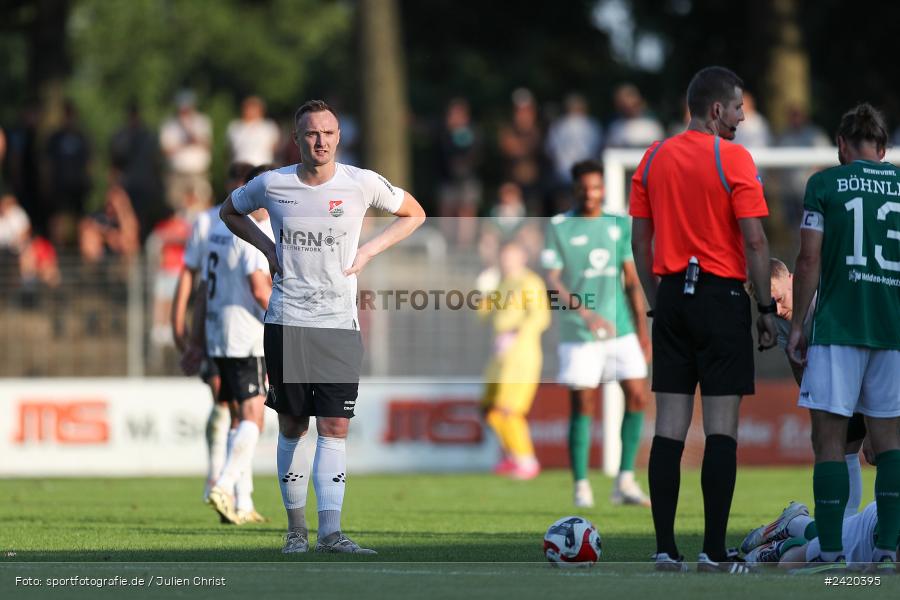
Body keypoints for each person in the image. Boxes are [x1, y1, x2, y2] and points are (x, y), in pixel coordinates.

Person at [219, 99, 425, 554]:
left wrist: (370, 251)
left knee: (334, 425)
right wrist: (268, 248)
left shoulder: (361, 183)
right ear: (296, 140)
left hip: (338, 323)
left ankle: (331, 533)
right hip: (288, 320)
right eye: (312, 133)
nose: (321, 141)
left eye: (329, 133)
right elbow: (228, 212)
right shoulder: (273, 184)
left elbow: (414, 213)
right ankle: (296, 532)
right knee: (293, 425)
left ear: (338, 137)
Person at [629, 66, 778, 573]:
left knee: (669, 427)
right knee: (721, 430)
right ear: (717, 110)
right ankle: (714, 550)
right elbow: (755, 240)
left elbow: (639, 241)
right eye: (737, 109)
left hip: (671, 296)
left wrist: (657, 299)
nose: (740, 118)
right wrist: (763, 308)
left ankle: (665, 548)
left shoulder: (652, 158)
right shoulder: (733, 158)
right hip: (720, 298)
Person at [786, 103, 900, 569]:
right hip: (891, 328)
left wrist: (798, 325)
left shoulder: (824, 184)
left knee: (830, 442)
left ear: (840, 145)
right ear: (884, 146)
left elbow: (809, 259)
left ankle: (830, 555)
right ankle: (888, 552)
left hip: (839, 326)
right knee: (890, 442)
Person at [543, 159, 652, 509]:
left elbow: (631, 280)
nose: (591, 194)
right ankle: (581, 485)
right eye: (584, 188)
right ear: (574, 189)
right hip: (579, 333)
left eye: (596, 187)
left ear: (603, 188)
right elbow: (552, 282)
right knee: (583, 404)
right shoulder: (559, 226)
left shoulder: (618, 224)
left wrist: (642, 330)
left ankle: (625, 480)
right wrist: (586, 314)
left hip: (620, 328)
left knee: (637, 395)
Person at [173, 162, 259, 504]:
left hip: (222, 327)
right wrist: (184, 330)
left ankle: (237, 491)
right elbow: (192, 278)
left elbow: (200, 281)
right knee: (234, 406)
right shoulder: (213, 222)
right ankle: (223, 480)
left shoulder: (222, 223)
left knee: (236, 408)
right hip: (227, 328)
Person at [186, 192, 274, 526]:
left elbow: (202, 288)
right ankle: (222, 485)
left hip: (218, 336)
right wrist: (290, 321)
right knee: (254, 418)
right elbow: (258, 289)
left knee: (238, 420)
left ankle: (243, 501)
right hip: (246, 338)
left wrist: (197, 339)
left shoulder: (217, 231)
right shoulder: (252, 234)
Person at [765, 258, 868, 519]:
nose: (777, 309)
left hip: (868, 368)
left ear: (791, 279)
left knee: (878, 450)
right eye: (771, 304)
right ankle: (847, 526)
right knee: (840, 449)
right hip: (838, 381)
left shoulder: (825, 292)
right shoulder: (776, 317)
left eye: (780, 298)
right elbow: (799, 370)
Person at [481, 240, 550, 480]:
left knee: (509, 410)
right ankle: (513, 457)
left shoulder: (529, 282)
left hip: (521, 356)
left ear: (523, 258)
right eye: (504, 255)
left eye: (512, 256)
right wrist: (483, 292)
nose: (507, 260)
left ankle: (526, 461)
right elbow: (481, 316)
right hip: (500, 358)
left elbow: (540, 317)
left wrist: (516, 334)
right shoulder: (502, 284)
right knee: (491, 412)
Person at [740, 500, 897, 572]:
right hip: (869, 535)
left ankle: (797, 522)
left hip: (880, 525)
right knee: (788, 567)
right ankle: (780, 547)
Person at [160, 90, 213, 218]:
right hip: (177, 173)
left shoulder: (202, 122)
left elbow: (207, 144)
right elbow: (165, 150)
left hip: (198, 172)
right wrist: (183, 143)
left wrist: (190, 131)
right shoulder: (169, 124)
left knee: (202, 205)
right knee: (176, 208)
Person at [227, 96, 280, 167]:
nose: (249, 111)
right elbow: (229, 150)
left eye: (253, 108)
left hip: (262, 168)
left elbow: (274, 147)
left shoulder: (269, 126)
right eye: (248, 108)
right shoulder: (235, 126)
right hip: (240, 168)